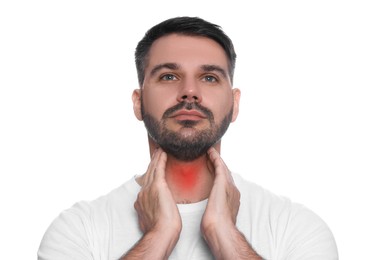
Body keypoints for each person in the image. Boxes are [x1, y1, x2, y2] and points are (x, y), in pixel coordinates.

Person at [38, 16, 338, 260]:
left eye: (209, 77)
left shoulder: (297, 228)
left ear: (234, 104)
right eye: (168, 76)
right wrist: (160, 235)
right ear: (138, 102)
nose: (189, 92)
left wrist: (224, 235)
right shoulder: (77, 229)